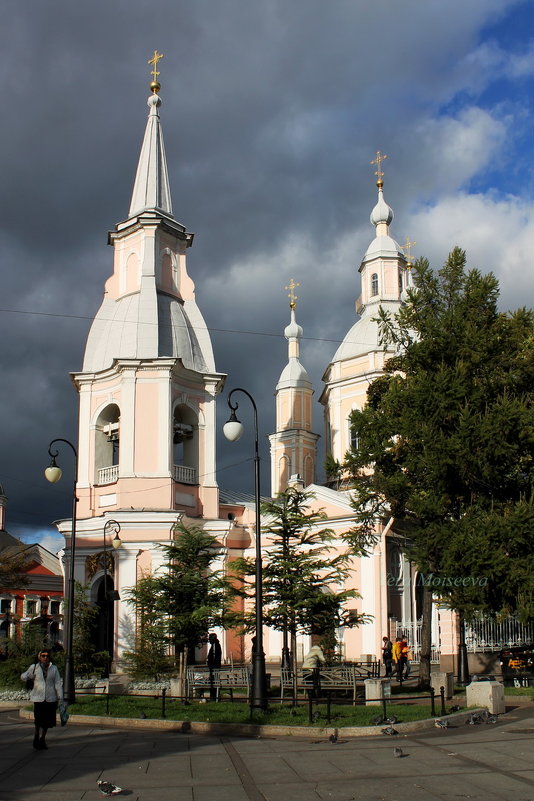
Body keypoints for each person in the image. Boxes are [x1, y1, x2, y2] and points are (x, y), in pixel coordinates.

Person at [21, 649, 63, 750]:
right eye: (43, 656)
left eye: (47, 656)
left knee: (47, 721)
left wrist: (60, 696)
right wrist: (29, 675)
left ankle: (42, 739)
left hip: (50, 698)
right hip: (38, 698)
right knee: (38, 720)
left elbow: (57, 682)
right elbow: (23, 677)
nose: (45, 658)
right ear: (39, 657)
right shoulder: (34, 667)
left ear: (50, 657)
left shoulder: (54, 668)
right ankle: (36, 734)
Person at [207, 632, 222, 701]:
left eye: (210, 639)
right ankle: (213, 696)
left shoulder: (215, 646)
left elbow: (214, 657)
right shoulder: (214, 645)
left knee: (214, 682)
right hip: (213, 666)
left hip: (214, 667)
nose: (209, 640)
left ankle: (214, 697)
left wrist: (211, 664)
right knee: (212, 682)